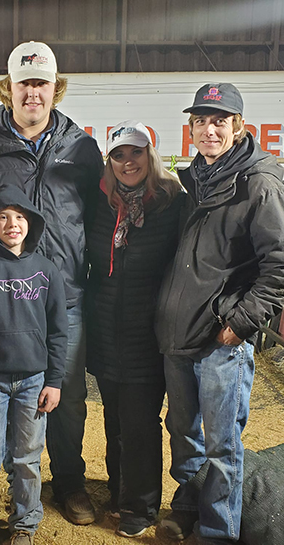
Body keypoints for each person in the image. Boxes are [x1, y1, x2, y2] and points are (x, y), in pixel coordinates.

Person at [0, 41, 103, 525]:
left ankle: (70, 483)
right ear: (10, 89)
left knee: (66, 395)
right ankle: (9, 486)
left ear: (54, 89)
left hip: (64, 292)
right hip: (3, 295)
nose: (33, 93)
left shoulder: (80, 147)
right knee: (2, 394)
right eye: (24, 84)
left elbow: (97, 215)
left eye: (41, 84)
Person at [155, 83, 284, 545]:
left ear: (239, 127)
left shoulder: (257, 184)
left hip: (220, 340)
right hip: (179, 333)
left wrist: (239, 324)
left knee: (222, 444)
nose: (208, 129)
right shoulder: (195, 179)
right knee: (182, 430)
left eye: (219, 120)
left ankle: (218, 531)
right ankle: (187, 505)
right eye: (200, 121)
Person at [85, 121, 184, 538]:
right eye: (119, 155)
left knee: (141, 422)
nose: (128, 162)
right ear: (109, 161)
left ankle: (141, 508)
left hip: (149, 331)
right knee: (114, 419)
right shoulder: (99, 202)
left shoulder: (172, 203)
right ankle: (119, 493)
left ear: (150, 154)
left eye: (136, 153)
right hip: (106, 327)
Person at [0, 184, 68, 545]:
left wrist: (54, 380)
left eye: (20, 217)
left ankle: (23, 525)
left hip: (34, 382)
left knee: (27, 459)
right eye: (3, 217)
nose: (12, 224)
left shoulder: (47, 270)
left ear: (31, 224)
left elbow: (59, 332)